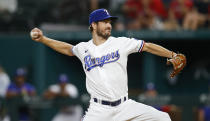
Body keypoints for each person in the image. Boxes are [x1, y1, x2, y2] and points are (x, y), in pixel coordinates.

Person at [30, 8, 184, 121]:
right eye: (104, 22)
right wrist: (44, 39)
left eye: (109, 22)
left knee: (163, 118)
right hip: (99, 110)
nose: (109, 25)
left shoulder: (121, 42)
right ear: (93, 26)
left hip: (125, 106)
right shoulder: (83, 48)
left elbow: (148, 46)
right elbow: (68, 49)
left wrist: (172, 55)